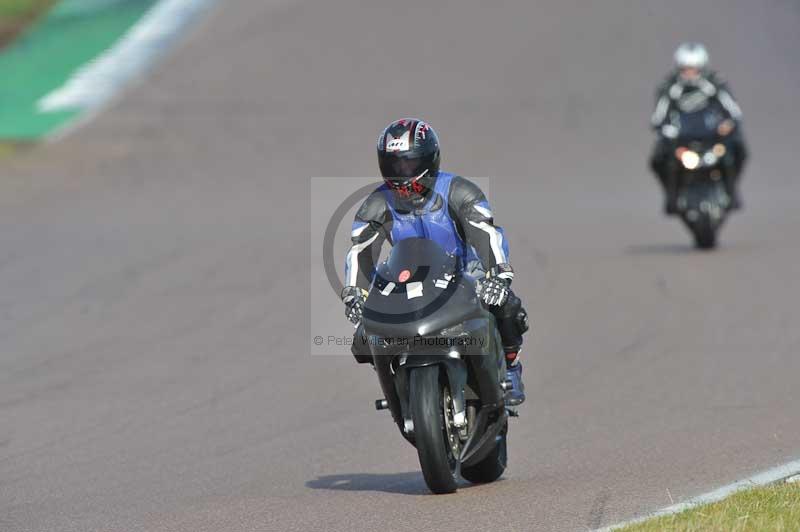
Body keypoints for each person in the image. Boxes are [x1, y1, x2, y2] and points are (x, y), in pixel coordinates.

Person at [341, 118, 529, 405]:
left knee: (507, 306)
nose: (401, 174)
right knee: (364, 338)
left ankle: (510, 368)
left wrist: (498, 275)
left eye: (408, 165)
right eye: (393, 166)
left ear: (429, 160)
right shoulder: (377, 204)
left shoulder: (459, 191)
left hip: (464, 274)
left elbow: (486, 235)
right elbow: (360, 252)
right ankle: (398, 390)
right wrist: (354, 292)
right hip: (405, 280)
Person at [650, 42, 748, 213]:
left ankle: (731, 191)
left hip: (712, 138)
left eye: (694, 69)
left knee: (737, 151)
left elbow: (733, 111)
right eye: (686, 68)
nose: (690, 73)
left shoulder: (714, 84)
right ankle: (672, 198)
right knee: (659, 160)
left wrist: (727, 125)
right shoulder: (670, 87)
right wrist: (667, 131)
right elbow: (659, 117)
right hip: (682, 140)